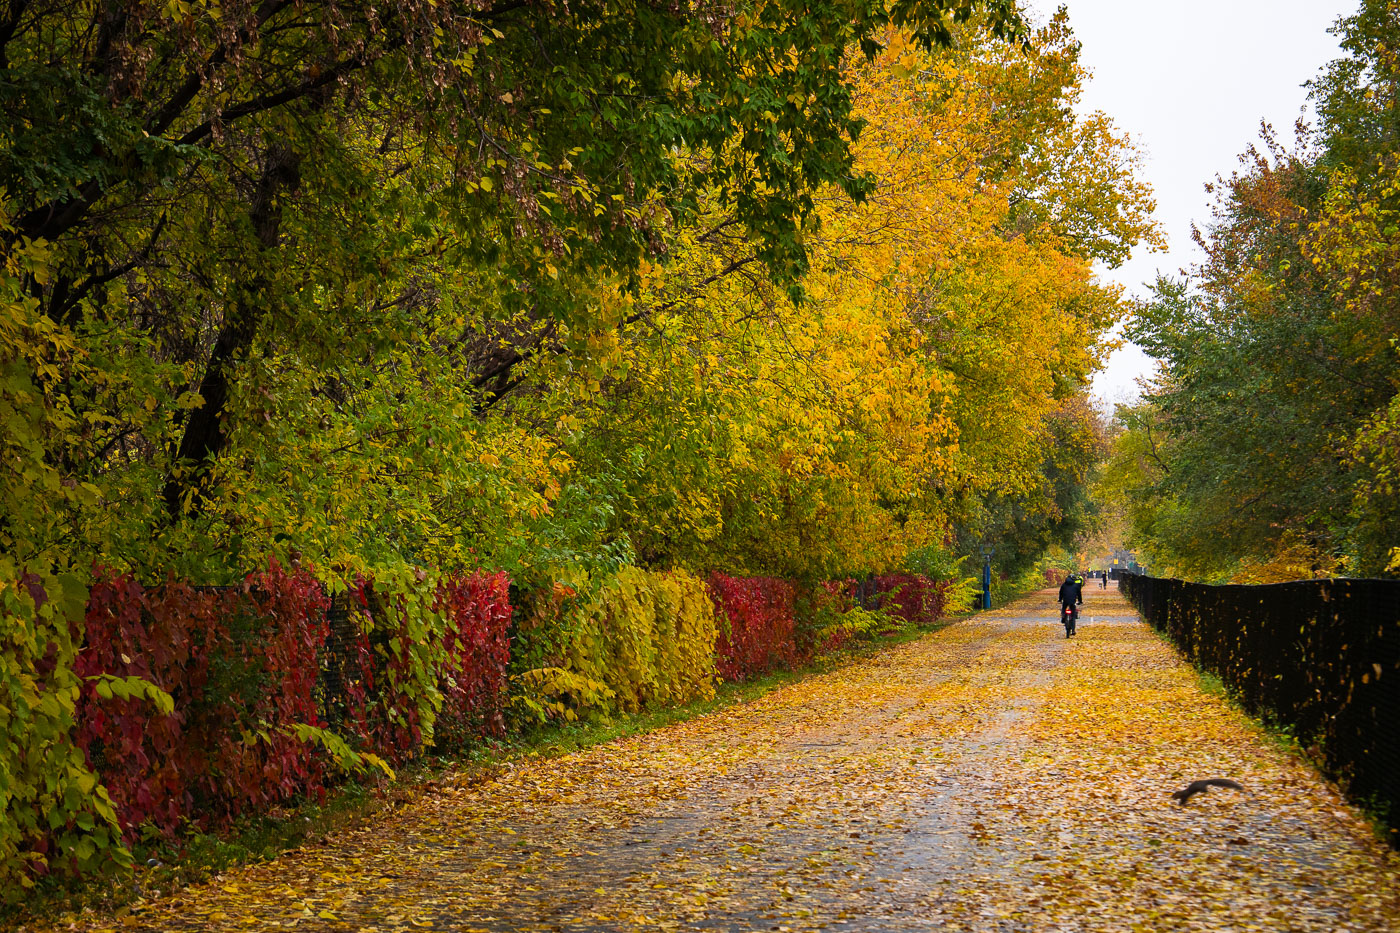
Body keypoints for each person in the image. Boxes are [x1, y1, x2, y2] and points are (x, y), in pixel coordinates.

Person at [1058, 572, 1084, 636]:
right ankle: (1073, 630)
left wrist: (1060, 599)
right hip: (1072, 601)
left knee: (1064, 608)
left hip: (1065, 600)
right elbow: (1079, 594)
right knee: (1073, 615)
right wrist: (1080, 601)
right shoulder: (1076, 585)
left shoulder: (1064, 585)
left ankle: (1063, 617)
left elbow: (1061, 592)